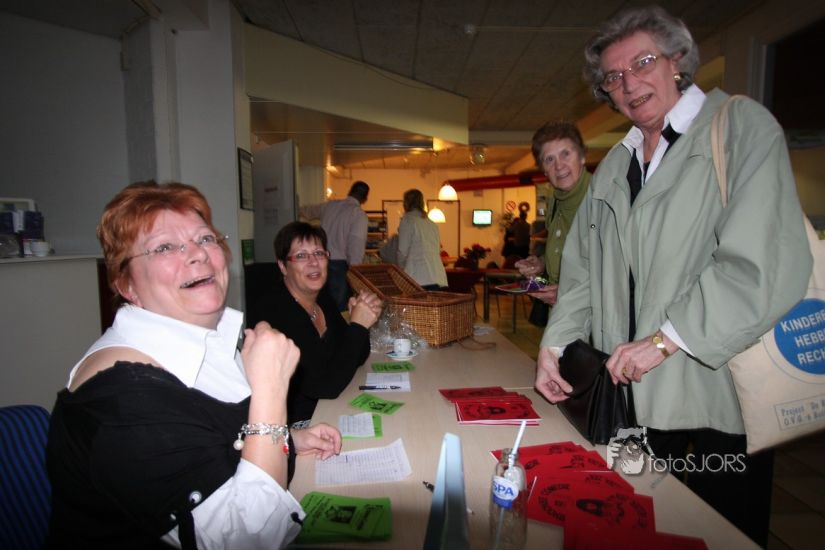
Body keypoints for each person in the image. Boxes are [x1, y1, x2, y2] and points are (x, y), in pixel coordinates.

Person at [534, 6, 812, 546]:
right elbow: (584, 272)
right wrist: (555, 341)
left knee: (720, 531)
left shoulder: (738, 128)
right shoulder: (616, 166)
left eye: (642, 62)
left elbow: (759, 262)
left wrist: (664, 341)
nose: (629, 83)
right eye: (613, 77)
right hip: (633, 396)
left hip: (718, 391)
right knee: (638, 523)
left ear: (677, 60)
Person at [46, 182, 342, 549]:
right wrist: (270, 389)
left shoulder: (204, 342)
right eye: (164, 247)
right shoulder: (122, 397)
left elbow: (217, 442)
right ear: (126, 285)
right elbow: (248, 541)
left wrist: (290, 439)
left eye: (205, 239)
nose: (197, 254)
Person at [257, 221, 382, 426]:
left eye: (319, 253)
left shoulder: (321, 299)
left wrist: (360, 322)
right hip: (294, 426)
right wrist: (358, 326)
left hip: (328, 409)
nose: (313, 262)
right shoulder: (277, 312)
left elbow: (358, 357)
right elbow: (324, 387)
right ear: (283, 266)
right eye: (301, 256)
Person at [515, 121, 592, 321]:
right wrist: (541, 264)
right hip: (561, 318)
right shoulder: (555, 202)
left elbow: (619, 272)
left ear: (582, 156)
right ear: (544, 169)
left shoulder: (603, 198)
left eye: (566, 154)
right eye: (549, 159)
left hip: (594, 322)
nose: (559, 166)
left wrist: (569, 295)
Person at [300, 181, 370, 311]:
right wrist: (355, 273)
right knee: (338, 310)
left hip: (319, 261)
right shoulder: (358, 214)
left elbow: (306, 211)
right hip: (339, 267)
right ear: (365, 199)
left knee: (320, 304)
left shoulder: (330, 205)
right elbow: (355, 245)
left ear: (350, 191)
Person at [396, 189, 448, 290]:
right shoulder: (431, 224)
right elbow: (438, 250)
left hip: (417, 276)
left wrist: (401, 269)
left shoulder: (407, 221)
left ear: (406, 203)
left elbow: (402, 251)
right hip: (436, 275)